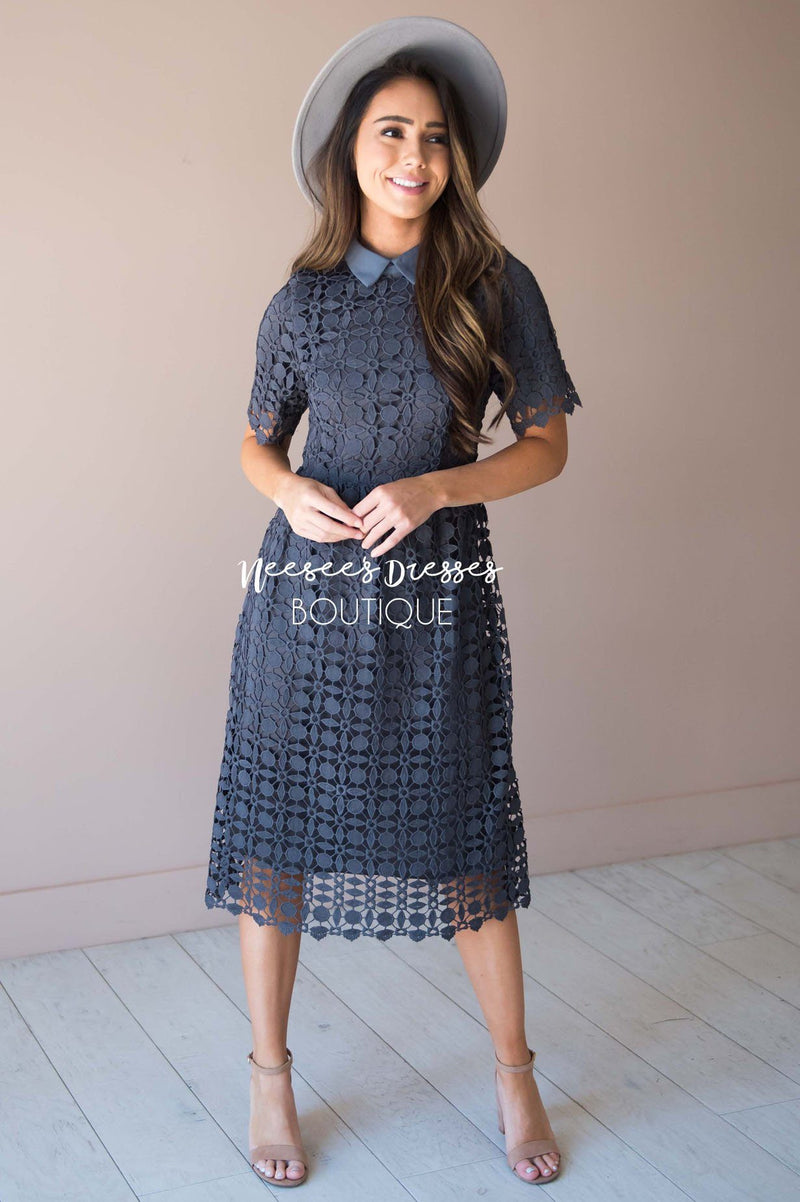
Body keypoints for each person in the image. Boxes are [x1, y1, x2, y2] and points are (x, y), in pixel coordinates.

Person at [204, 17, 582, 1190]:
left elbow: (547, 445)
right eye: (389, 132)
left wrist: (436, 486)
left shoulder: (494, 285)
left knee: (465, 837)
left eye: (432, 136)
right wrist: (288, 490)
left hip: (436, 609)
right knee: (277, 837)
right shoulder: (302, 300)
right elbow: (255, 443)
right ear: (350, 151)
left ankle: (513, 1074)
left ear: (452, 157)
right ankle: (270, 1073)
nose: (412, 156)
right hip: (303, 608)